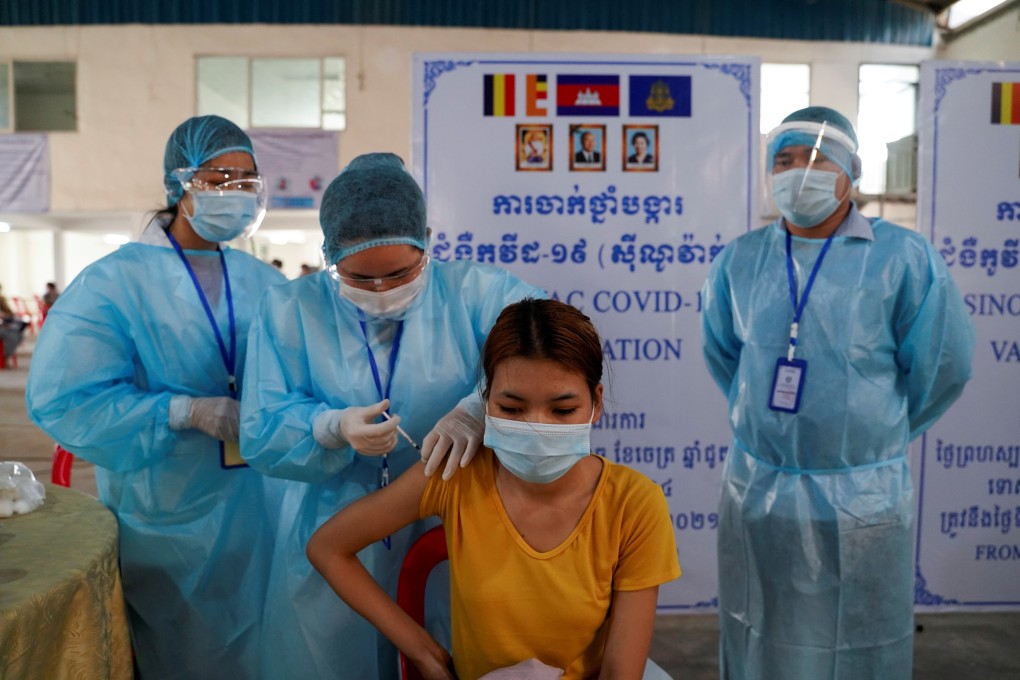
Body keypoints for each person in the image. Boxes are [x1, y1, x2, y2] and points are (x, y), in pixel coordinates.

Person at [240, 152, 543, 679]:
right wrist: (329, 428)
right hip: (334, 521)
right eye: (359, 277)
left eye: (401, 273)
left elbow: (550, 356)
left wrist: (479, 407)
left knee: (451, 650)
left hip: (455, 514)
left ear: (427, 241)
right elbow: (261, 425)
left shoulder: (479, 294)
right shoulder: (289, 311)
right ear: (328, 255)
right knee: (326, 657)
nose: (381, 291)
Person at [700, 106, 975, 680]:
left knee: (860, 638)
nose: (800, 171)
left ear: (852, 170)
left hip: (863, 494)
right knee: (760, 626)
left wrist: (871, 434)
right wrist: (775, 430)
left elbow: (942, 368)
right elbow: (727, 357)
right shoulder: (741, 260)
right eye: (785, 159)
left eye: (818, 158)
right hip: (759, 486)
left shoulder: (903, 257)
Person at [26, 115, 287, 680]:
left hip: (258, 506)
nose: (237, 194)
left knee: (260, 644)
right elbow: (64, 397)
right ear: (180, 183)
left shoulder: (263, 281)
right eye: (222, 177)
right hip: (167, 511)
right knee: (183, 650)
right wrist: (183, 410)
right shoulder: (114, 284)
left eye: (248, 181)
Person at [307, 297, 681, 680]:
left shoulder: (634, 504)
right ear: (482, 404)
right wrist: (423, 652)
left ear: (596, 402)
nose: (538, 426)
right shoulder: (455, 478)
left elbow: (622, 673)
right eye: (513, 409)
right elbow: (328, 547)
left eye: (563, 410)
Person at [0, 285, 27, 366]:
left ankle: (6, 356)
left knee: (16, 333)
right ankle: (5, 357)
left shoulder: (1, 299)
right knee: (12, 335)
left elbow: (8, 312)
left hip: (4, 325)